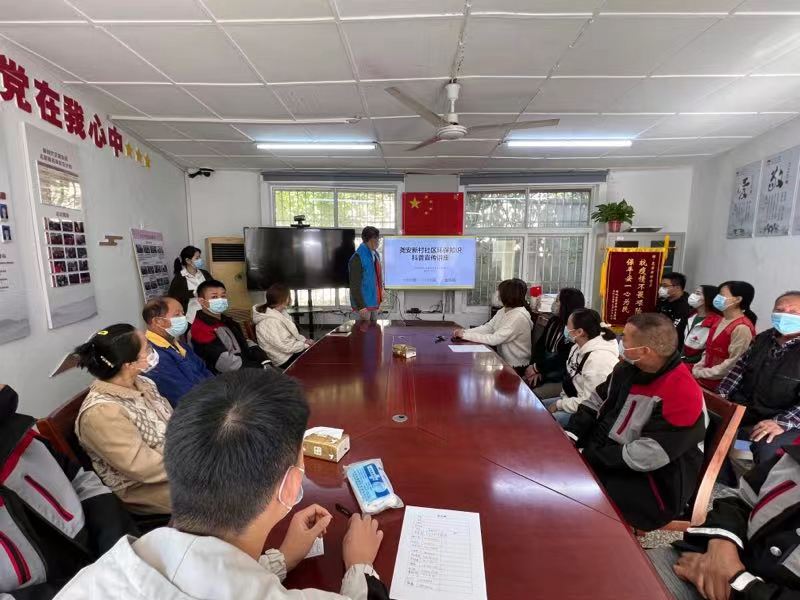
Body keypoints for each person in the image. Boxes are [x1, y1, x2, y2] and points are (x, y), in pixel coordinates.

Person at [54, 369, 389, 600]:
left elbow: (207, 576)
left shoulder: (93, 578)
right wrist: (359, 565)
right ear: (289, 486)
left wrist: (282, 558)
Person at [565, 313, 707, 531]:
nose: (620, 343)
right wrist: (573, 435)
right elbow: (596, 401)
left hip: (652, 484)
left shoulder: (682, 392)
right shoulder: (627, 370)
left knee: (571, 495)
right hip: (612, 459)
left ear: (644, 351)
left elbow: (648, 455)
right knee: (560, 474)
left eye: (625, 339)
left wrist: (590, 456)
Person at [0, 384, 137, 600]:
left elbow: (82, 481)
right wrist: (92, 587)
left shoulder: (16, 431)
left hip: (115, 564)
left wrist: (121, 553)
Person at [647, 437, 800, 600]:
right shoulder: (790, 458)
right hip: (706, 562)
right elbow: (742, 499)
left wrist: (736, 583)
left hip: (738, 590)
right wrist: (722, 550)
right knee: (636, 573)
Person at [73, 324, 172, 515]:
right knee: (228, 487)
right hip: (148, 489)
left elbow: (173, 422)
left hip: (178, 463)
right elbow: (144, 468)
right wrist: (198, 463)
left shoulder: (144, 383)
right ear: (129, 364)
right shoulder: (101, 413)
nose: (152, 352)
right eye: (147, 349)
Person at [719, 290, 800, 463]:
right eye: (780, 310)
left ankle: (760, 478)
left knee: (765, 445)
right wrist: (721, 396)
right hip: (749, 408)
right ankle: (724, 472)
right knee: (713, 427)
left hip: (786, 417)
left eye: (794, 312)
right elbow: (738, 371)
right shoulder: (763, 338)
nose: (785, 315)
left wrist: (781, 422)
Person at [542, 308, 619, 427]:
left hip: (587, 412)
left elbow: (591, 403)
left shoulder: (599, 360)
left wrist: (559, 405)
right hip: (571, 400)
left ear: (579, 332)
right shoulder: (577, 347)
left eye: (568, 326)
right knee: (536, 408)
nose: (565, 329)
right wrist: (562, 402)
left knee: (545, 422)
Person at [142, 296, 213, 407]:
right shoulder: (153, 356)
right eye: (177, 315)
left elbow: (204, 370)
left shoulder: (180, 345)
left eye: (183, 313)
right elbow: (182, 395)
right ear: (158, 321)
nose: (183, 318)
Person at [453, 278, 533, 376]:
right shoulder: (504, 310)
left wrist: (465, 336)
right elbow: (488, 328)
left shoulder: (518, 316)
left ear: (507, 294)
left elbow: (494, 339)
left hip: (515, 366)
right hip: (503, 360)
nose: (497, 295)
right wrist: (465, 332)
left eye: (499, 292)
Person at [190, 279, 270, 373]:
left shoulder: (226, 320)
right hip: (229, 376)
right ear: (202, 301)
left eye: (223, 296)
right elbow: (226, 364)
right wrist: (259, 369)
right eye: (214, 297)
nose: (220, 300)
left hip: (248, 367)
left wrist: (263, 359)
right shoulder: (201, 328)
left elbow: (244, 341)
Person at [693, 281, 757, 392]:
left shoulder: (742, 327)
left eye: (722, 295)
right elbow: (708, 350)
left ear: (737, 299)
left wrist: (702, 373)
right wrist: (698, 367)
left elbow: (733, 364)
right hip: (704, 376)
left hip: (720, 385)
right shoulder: (720, 320)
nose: (717, 298)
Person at [524, 287, 586, 395]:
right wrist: (534, 367)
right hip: (543, 368)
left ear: (566, 305)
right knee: (522, 385)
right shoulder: (554, 320)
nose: (554, 303)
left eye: (557, 301)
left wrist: (538, 369)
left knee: (534, 394)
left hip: (560, 376)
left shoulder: (576, 329)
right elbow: (540, 345)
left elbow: (563, 358)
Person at [252, 283, 313, 370]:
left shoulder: (280, 312)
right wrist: (304, 345)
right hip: (282, 359)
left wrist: (304, 340)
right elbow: (284, 346)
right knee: (314, 355)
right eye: (289, 296)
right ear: (285, 299)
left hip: (288, 351)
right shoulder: (270, 321)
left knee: (314, 350)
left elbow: (292, 336)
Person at [168, 245, 212, 323]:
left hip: (209, 313)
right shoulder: (179, 278)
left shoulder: (205, 273)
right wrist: (192, 293)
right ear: (188, 260)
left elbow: (213, 288)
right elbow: (173, 298)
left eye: (200, 257)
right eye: (197, 258)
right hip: (191, 318)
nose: (200, 260)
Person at [681, 285, 722, 364]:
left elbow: (710, 351)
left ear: (708, 298)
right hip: (684, 361)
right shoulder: (691, 315)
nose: (693, 295)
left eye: (698, 293)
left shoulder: (716, 322)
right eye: (694, 293)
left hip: (698, 365)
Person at [348, 226, 383, 321]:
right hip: (363, 306)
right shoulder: (357, 257)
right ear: (369, 240)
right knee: (363, 330)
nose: (378, 242)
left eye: (378, 238)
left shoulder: (375, 254)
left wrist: (379, 300)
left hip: (373, 303)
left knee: (374, 329)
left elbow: (376, 279)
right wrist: (361, 307)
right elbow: (354, 285)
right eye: (376, 239)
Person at [657, 272, 691, 350]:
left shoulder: (685, 305)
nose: (661, 289)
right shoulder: (663, 300)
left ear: (677, 287)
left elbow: (675, 329)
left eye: (665, 286)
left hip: (674, 346)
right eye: (661, 285)